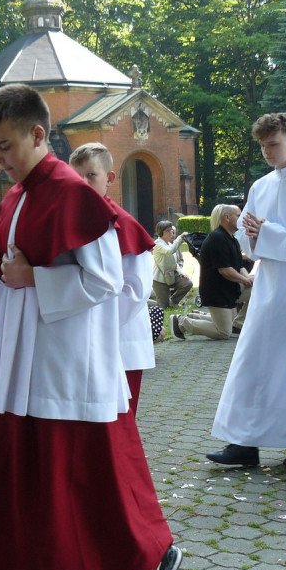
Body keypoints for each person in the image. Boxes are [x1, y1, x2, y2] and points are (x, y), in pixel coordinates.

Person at [0, 83, 179, 570]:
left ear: (37, 134)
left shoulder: (75, 195)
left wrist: (35, 277)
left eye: (4, 146)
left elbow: (106, 280)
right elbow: (10, 278)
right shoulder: (15, 197)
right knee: (25, 484)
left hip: (66, 364)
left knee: (92, 479)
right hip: (18, 363)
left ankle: (150, 560)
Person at [206, 112, 286, 470]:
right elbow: (246, 237)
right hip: (268, 282)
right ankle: (245, 442)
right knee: (254, 358)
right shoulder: (260, 187)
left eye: (273, 144)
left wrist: (268, 232)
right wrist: (256, 236)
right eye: (263, 145)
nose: (267, 151)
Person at [70, 142, 156, 417]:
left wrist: (96, 323)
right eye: (77, 176)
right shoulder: (71, 220)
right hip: (84, 337)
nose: (83, 183)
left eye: (91, 175)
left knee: (119, 421)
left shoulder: (125, 224)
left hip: (119, 337)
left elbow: (136, 289)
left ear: (109, 178)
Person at [170, 205, 252, 340]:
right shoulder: (218, 239)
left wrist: (249, 278)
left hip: (230, 289)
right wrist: (244, 280)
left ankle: (237, 324)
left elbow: (239, 265)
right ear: (227, 218)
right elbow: (225, 270)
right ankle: (181, 323)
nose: (241, 218)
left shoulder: (231, 239)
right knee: (224, 332)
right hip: (217, 293)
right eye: (238, 215)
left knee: (256, 288)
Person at [151, 220, 193, 308]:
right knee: (163, 306)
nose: (171, 232)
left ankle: (173, 301)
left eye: (171, 230)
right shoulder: (157, 244)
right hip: (159, 280)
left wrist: (182, 273)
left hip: (170, 276)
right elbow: (169, 251)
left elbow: (174, 263)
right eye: (169, 230)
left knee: (188, 283)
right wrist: (181, 237)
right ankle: (144, 302)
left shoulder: (169, 244)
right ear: (162, 232)